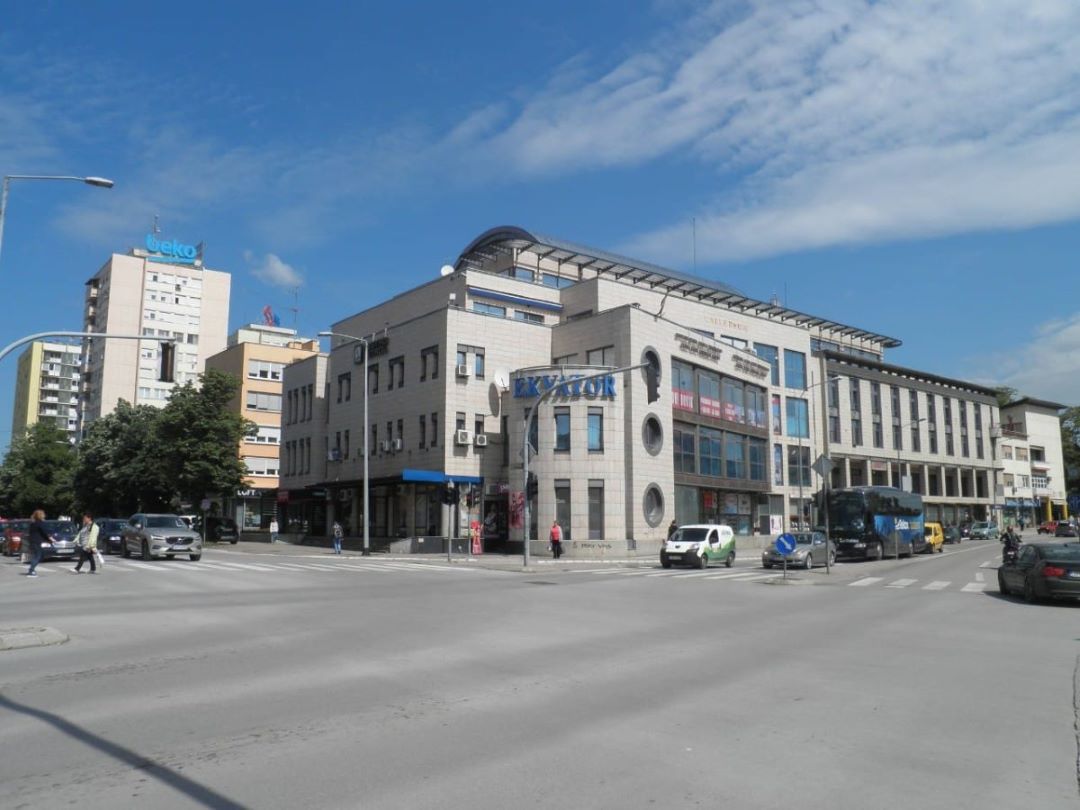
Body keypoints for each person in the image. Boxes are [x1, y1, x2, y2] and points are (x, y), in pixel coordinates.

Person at [26, 509, 48, 577]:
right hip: (37, 541)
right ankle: (31, 570)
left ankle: (31, 569)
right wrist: (49, 539)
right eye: (43, 514)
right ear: (40, 515)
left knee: (37, 555)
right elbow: (44, 532)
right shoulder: (40, 523)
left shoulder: (33, 523)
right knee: (38, 556)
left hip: (32, 541)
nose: (44, 515)